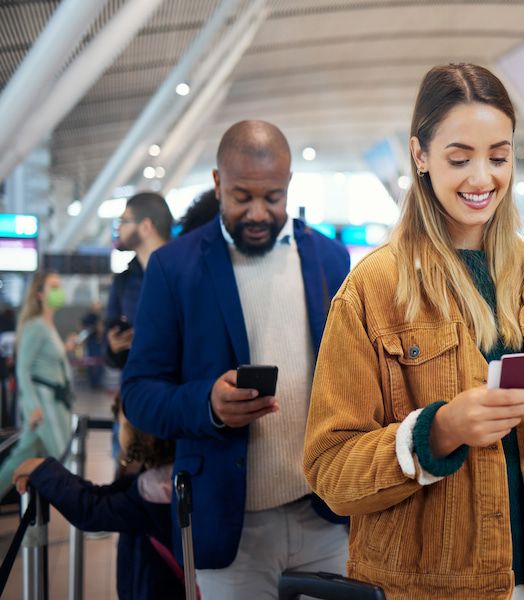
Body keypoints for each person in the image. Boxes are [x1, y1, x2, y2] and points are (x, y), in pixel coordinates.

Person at [303, 64, 524, 600]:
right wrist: (438, 432)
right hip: (428, 588)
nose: (482, 178)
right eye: (459, 158)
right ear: (420, 156)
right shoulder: (371, 291)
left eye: (499, 157)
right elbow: (330, 472)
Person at [122, 120, 351, 598]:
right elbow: (139, 393)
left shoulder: (330, 259)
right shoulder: (174, 267)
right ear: (217, 183)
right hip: (229, 526)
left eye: (273, 197)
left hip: (324, 515)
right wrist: (207, 404)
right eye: (241, 196)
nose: (258, 213)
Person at [12, 396, 183, 599]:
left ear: (140, 433)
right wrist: (44, 473)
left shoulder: (154, 491)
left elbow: (91, 510)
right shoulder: (161, 476)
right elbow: (101, 494)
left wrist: (44, 470)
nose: (118, 431)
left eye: (121, 424)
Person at [0, 272, 72, 496]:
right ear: (40, 294)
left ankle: (32, 530)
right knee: (65, 457)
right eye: (54, 286)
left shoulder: (48, 325)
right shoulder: (36, 326)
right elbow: (23, 368)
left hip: (54, 404)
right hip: (45, 406)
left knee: (24, 460)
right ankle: (83, 516)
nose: (59, 290)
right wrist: (33, 407)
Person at [106, 192, 173, 369]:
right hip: (138, 383)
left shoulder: (184, 272)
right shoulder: (123, 280)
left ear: (146, 226)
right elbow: (110, 346)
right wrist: (114, 347)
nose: (118, 228)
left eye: (124, 221)